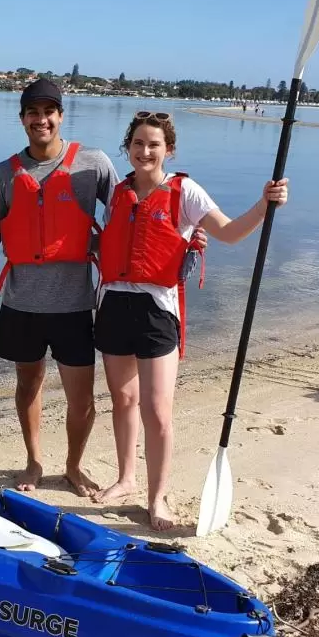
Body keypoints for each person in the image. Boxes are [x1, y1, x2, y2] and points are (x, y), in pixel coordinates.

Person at [90, 110, 289, 530]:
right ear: (128, 147)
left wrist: (264, 203)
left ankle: (156, 497)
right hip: (112, 305)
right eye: (138, 143)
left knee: (158, 410)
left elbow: (230, 232)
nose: (145, 151)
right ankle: (126, 478)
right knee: (123, 400)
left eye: (154, 145)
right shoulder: (118, 192)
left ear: (169, 150)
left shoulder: (185, 191)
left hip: (157, 310)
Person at [0, 78, 116, 498]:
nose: (41, 119)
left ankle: (74, 467)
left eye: (49, 112)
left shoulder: (93, 164)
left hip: (75, 304)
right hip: (21, 303)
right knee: (27, 384)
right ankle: (34, 460)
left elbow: (126, 215)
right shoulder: (3, 174)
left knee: (81, 397)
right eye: (33, 112)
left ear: (60, 116)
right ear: (22, 118)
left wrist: (185, 232)